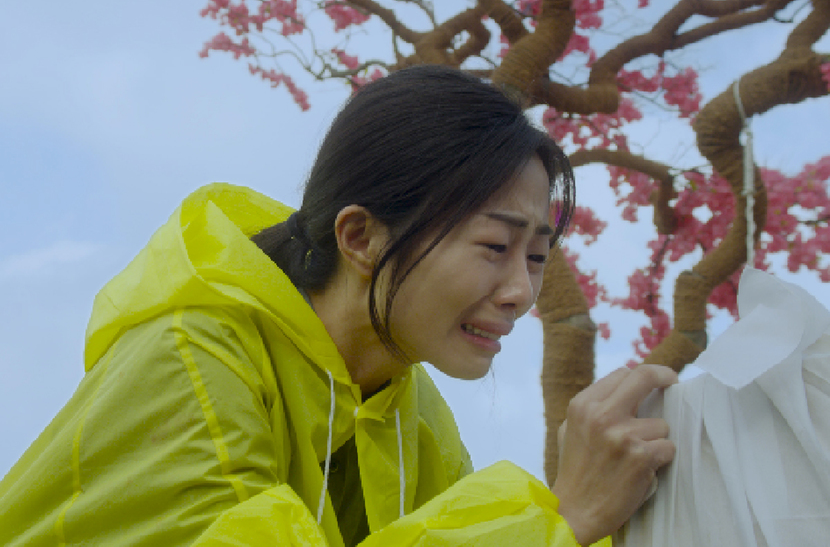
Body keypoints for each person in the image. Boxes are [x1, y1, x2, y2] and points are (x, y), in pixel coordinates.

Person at [0, 65, 676, 546]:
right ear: (360, 237)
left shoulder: (409, 409)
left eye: (536, 256)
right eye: (495, 246)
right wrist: (561, 518)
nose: (521, 292)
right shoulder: (191, 359)